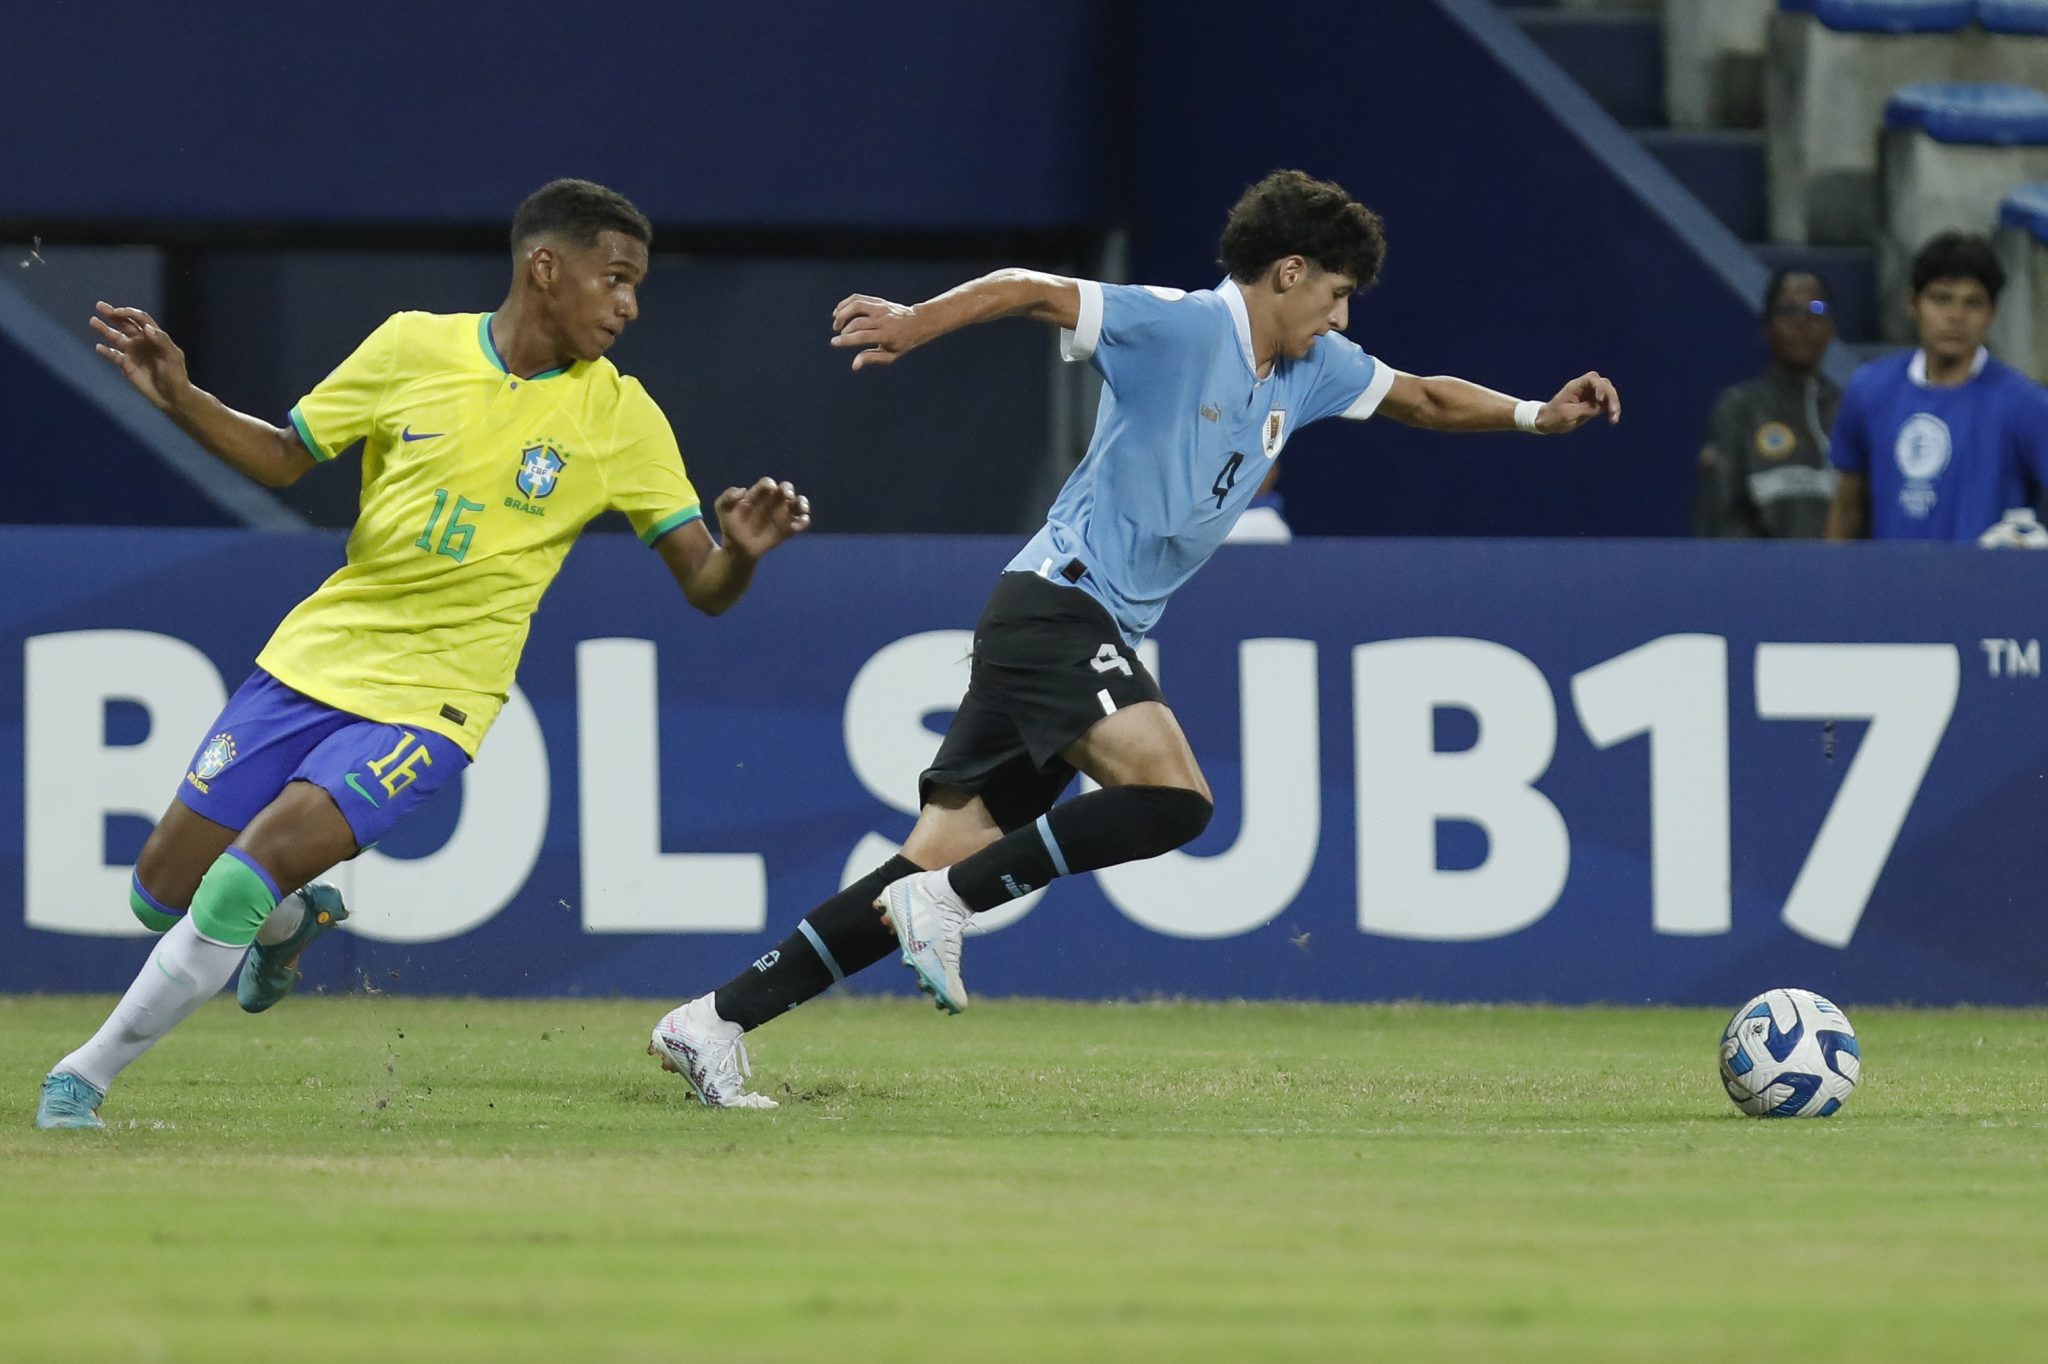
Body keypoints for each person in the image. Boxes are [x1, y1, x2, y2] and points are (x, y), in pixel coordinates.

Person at [647, 168, 1621, 1108]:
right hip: (1056, 604)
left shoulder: (1312, 369)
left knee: (930, 858)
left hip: (1069, 621)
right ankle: (946, 907)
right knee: (1172, 800)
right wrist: (914, 323)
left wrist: (1538, 415)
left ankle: (714, 1020)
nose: (1342, 317)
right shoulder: (1180, 324)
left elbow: (1423, 397)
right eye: (1335, 292)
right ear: (1286, 272)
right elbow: (1028, 290)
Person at [35, 179, 811, 1129]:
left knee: (242, 874)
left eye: (635, 286)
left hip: (436, 701)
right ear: (545, 266)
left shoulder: (621, 417)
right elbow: (285, 455)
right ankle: (287, 924)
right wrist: (184, 397)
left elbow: (702, 584)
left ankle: (81, 1078)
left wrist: (741, 557)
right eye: (614, 279)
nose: (629, 306)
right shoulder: (410, 345)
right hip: (315, 659)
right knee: (161, 892)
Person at [1826, 232, 2048, 542]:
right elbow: (1847, 507)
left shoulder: (2027, 404)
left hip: (1987, 588)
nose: (1955, 316)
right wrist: (1835, 586)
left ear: (1991, 313)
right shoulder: (1869, 389)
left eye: (1973, 303)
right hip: (1889, 586)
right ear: (1913, 303)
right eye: (1941, 299)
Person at [1694, 270, 1841, 538]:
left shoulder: (1850, 410)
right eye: (1787, 311)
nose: (1802, 322)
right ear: (1766, 327)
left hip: (1843, 576)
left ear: (1832, 327)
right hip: (1761, 576)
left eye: (1816, 309)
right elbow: (1723, 515)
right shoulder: (1739, 408)